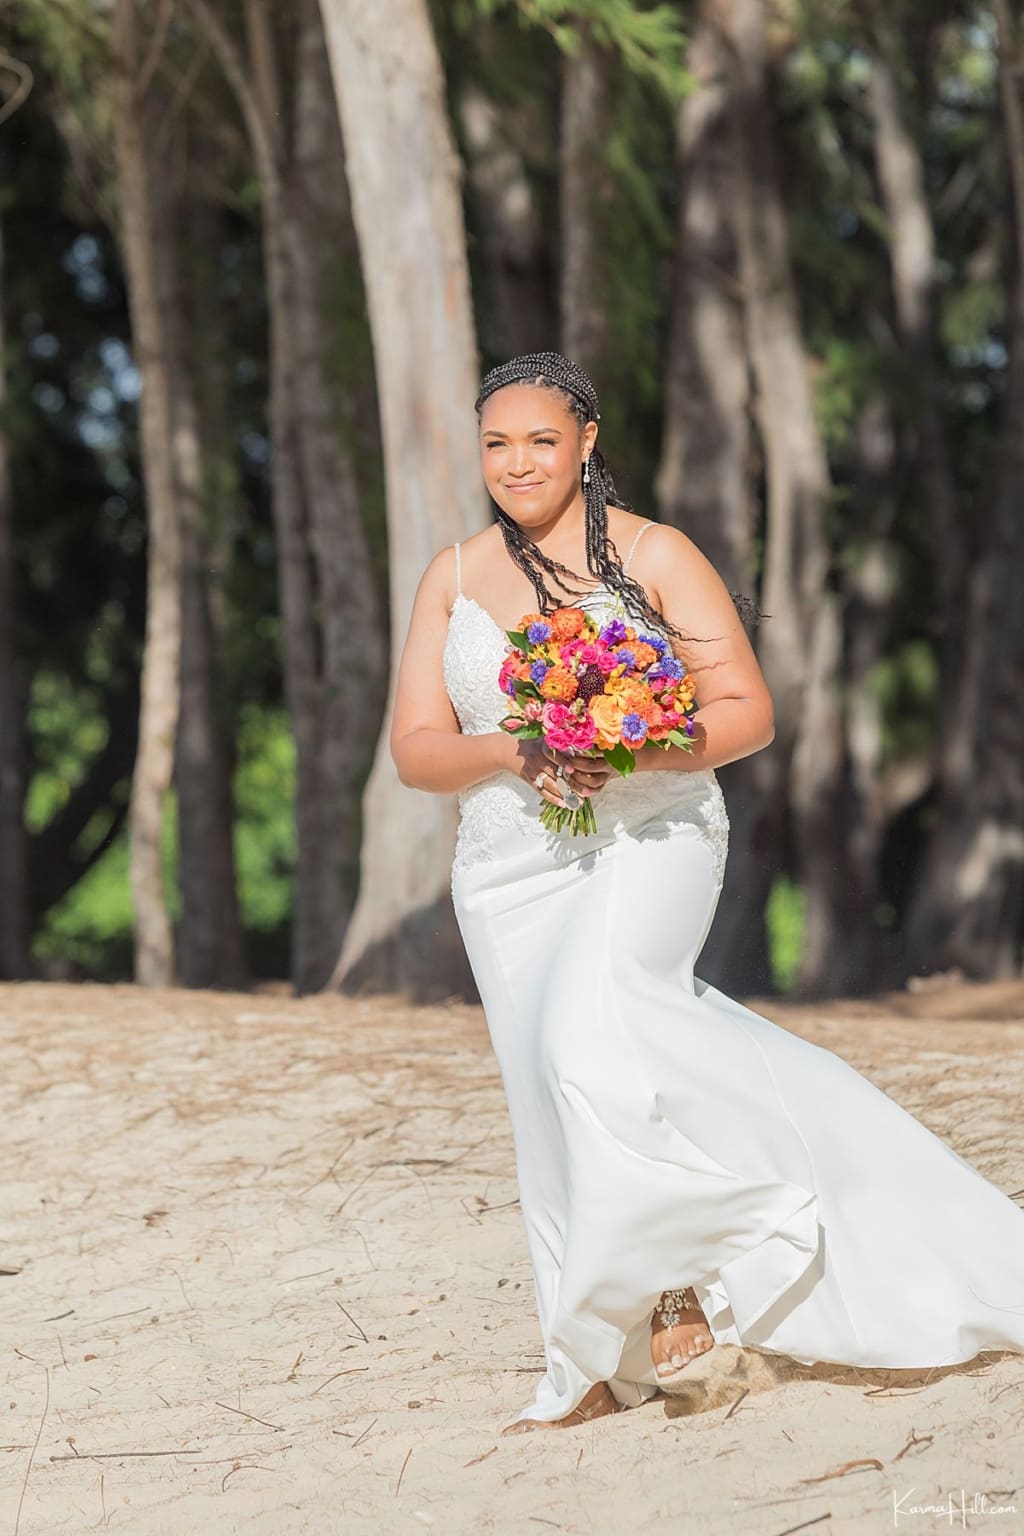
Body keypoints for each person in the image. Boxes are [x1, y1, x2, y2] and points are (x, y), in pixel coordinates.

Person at [389, 350, 1024, 1436]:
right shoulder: (450, 575)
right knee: (549, 1087)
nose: (518, 462)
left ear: (587, 442)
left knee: (590, 1038)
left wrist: (619, 753)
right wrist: (514, 751)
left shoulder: (654, 553)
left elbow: (745, 713)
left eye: (542, 439)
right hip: (506, 866)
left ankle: (679, 1289)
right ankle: (590, 1347)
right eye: (497, 443)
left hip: (654, 835)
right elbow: (414, 749)